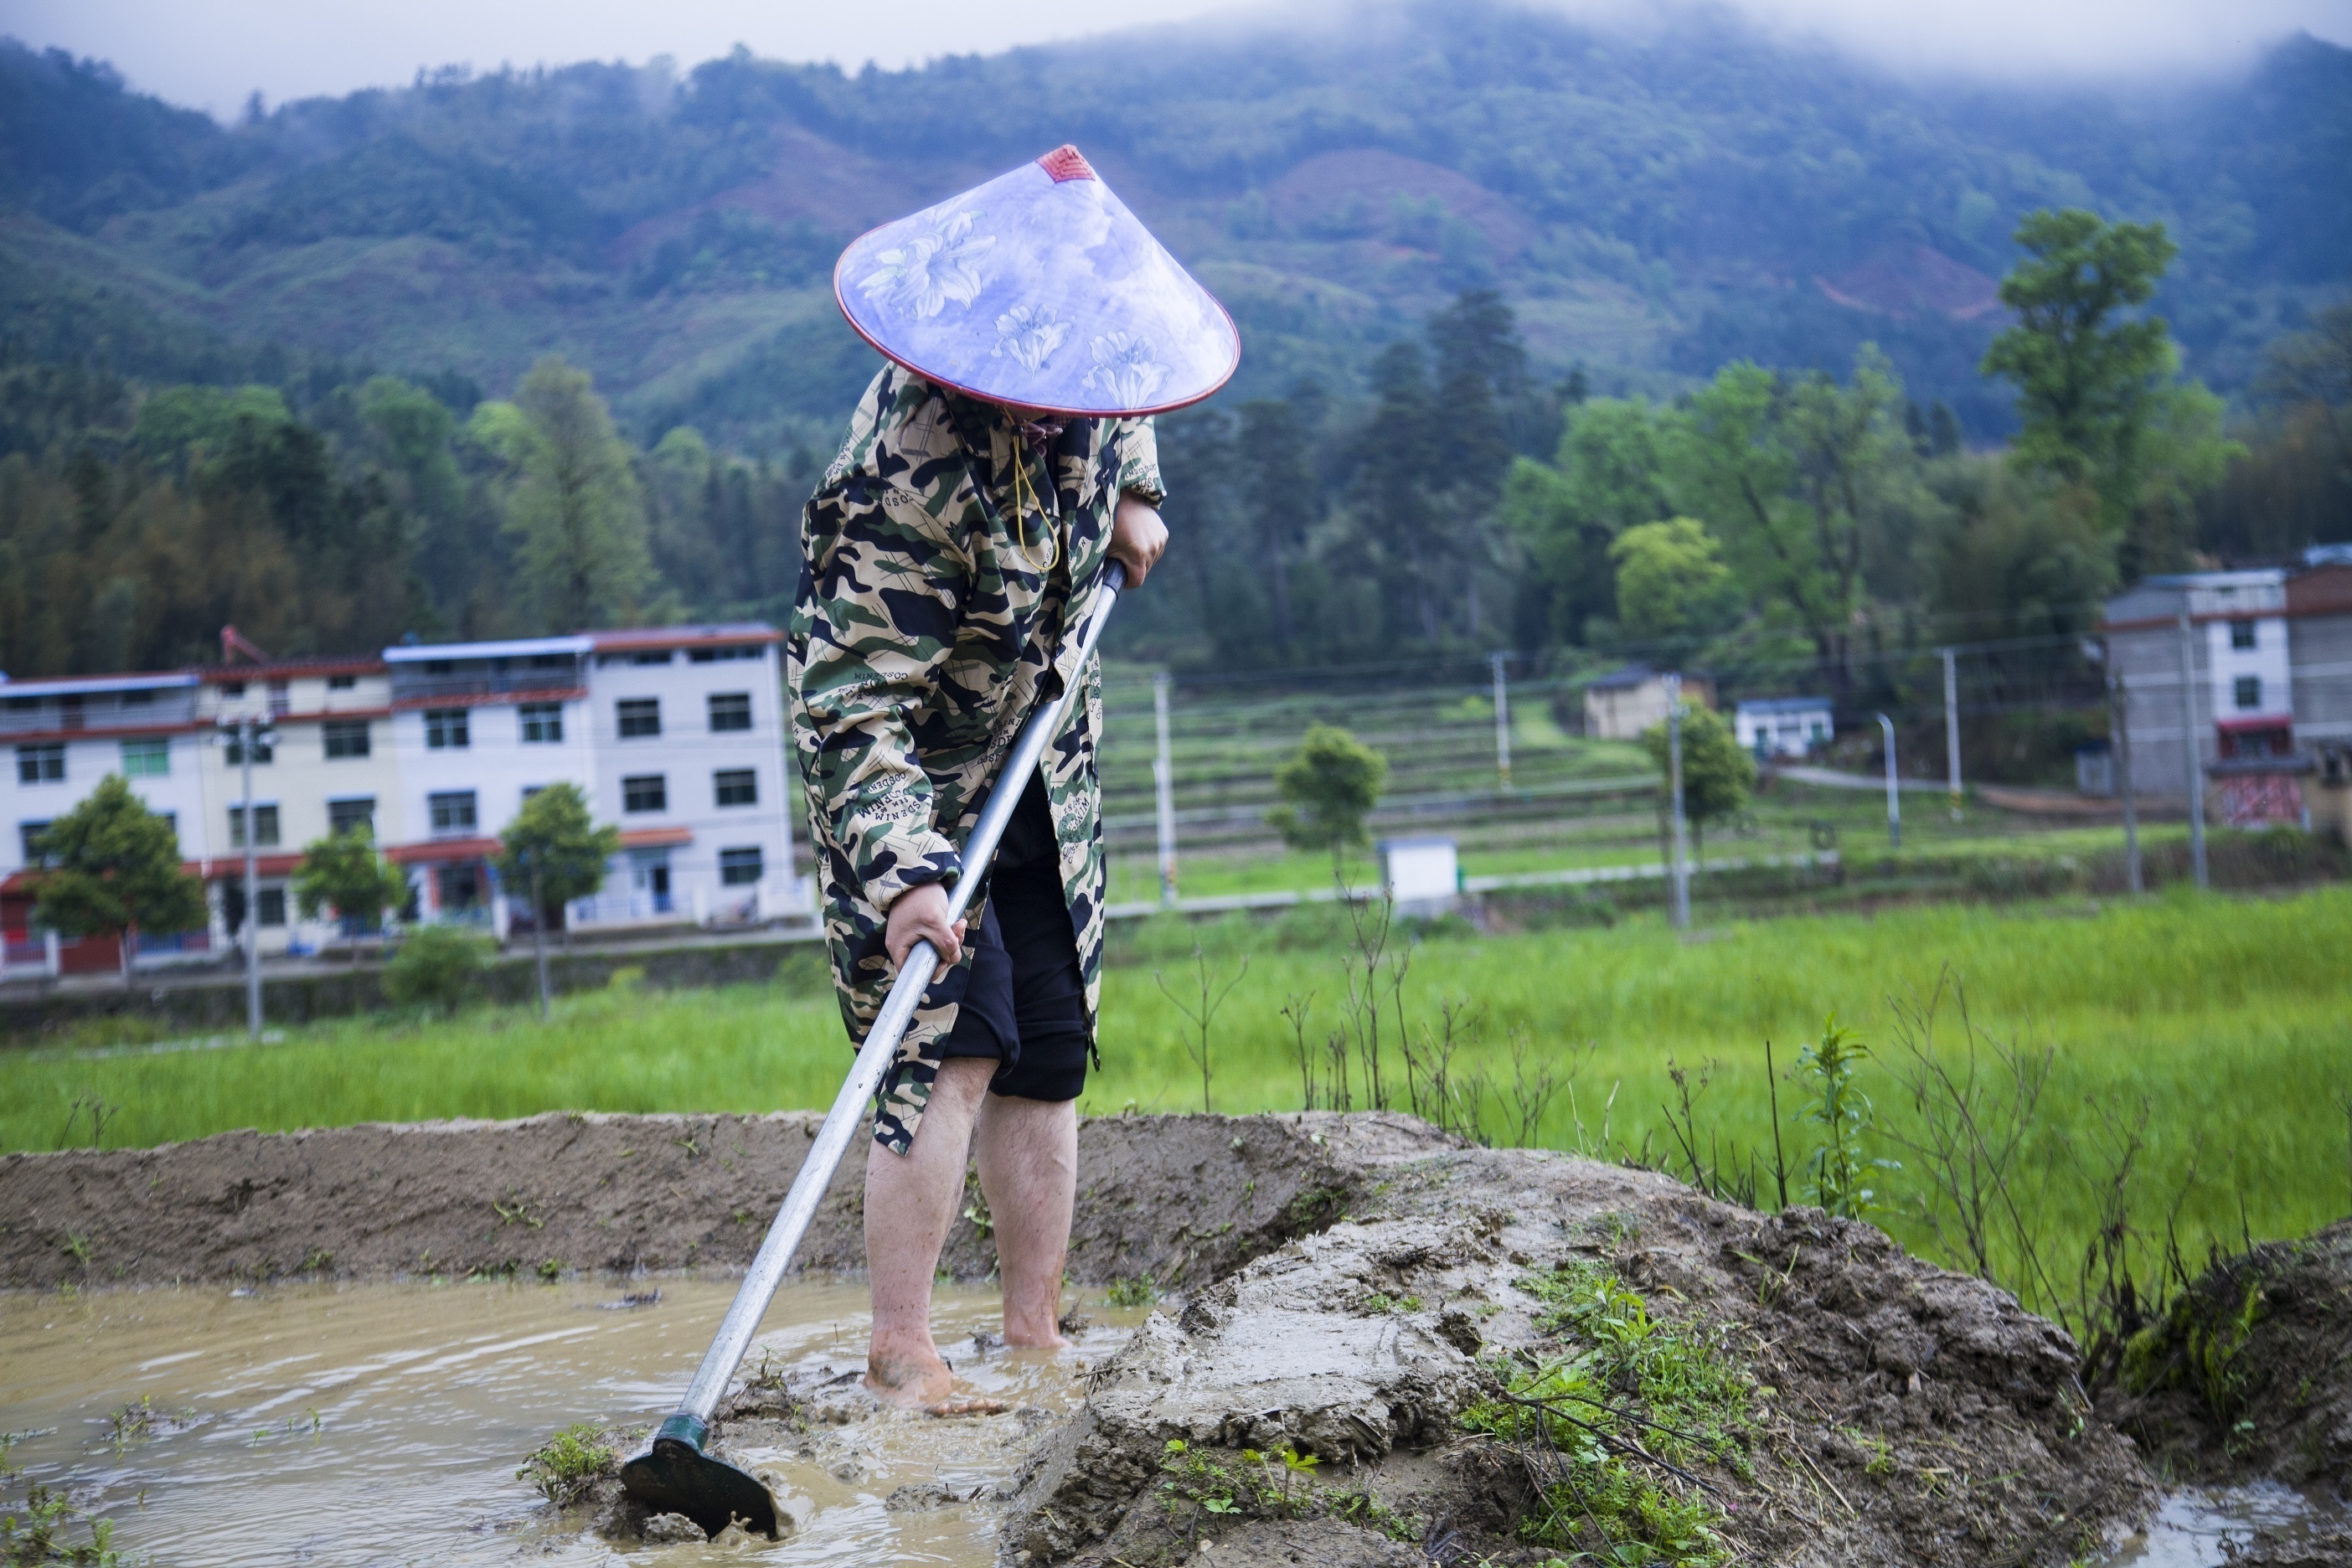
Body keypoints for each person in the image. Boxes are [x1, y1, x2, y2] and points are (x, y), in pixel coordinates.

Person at [788, 144, 1239, 1410]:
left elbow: (1127, 393)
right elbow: (851, 706)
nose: (1064, 406)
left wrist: (1134, 489)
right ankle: (903, 1350)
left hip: (1039, 754)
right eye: (1040, 387)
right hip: (912, 780)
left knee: (1046, 1044)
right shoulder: (903, 475)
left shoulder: (1090, 371)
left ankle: (1034, 1333)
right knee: (950, 1042)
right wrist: (900, 877)